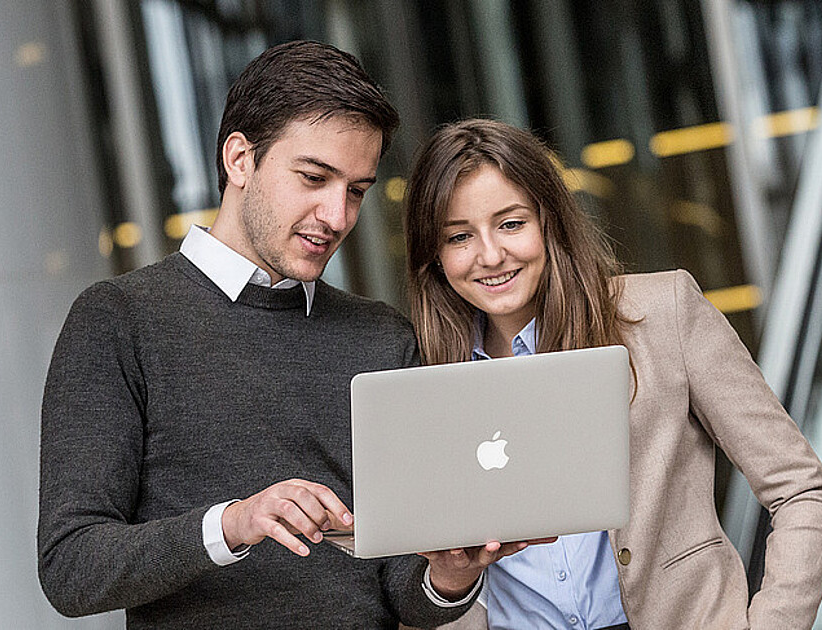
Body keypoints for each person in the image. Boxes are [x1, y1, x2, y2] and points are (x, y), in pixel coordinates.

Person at [38, 42, 520, 630]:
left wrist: (451, 575)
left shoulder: (382, 337)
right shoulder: (118, 320)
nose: (337, 215)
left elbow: (404, 592)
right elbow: (71, 568)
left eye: (356, 190)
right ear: (240, 159)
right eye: (314, 177)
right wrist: (233, 524)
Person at [402, 119, 822, 630]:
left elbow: (805, 491)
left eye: (511, 224)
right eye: (459, 236)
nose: (490, 255)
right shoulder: (422, 376)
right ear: (434, 256)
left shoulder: (663, 313)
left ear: (549, 221)